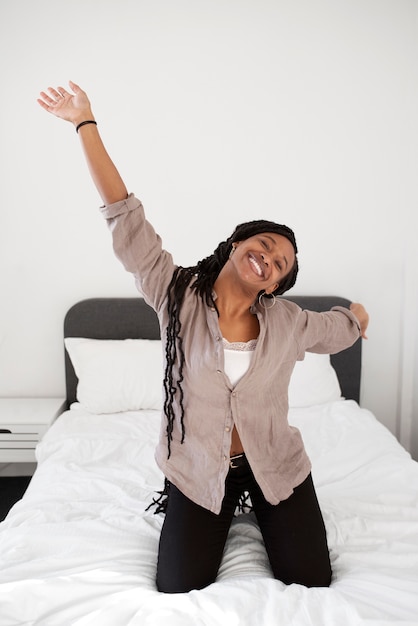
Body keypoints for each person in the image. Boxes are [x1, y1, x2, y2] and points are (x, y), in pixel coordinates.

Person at [38, 81, 369, 594]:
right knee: (178, 586)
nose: (268, 258)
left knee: (310, 579)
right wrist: (85, 122)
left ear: (277, 283)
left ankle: (263, 509)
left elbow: (340, 329)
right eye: (263, 244)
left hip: (276, 466)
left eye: (279, 264)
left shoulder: (288, 321)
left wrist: (358, 315)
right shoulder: (175, 293)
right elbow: (125, 213)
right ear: (238, 242)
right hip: (196, 470)